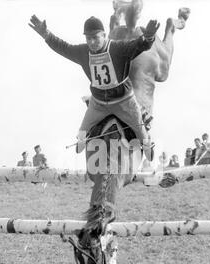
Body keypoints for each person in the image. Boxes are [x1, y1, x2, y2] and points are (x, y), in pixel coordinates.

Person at [29, 15, 160, 161]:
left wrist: (148, 37)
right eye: (88, 38)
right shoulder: (83, 52)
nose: (92, 42)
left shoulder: (118, 48)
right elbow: (63, 47)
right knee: (81, 135)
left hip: (125, 102)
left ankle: (147, 147)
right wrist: (46, 35)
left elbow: (139, 45)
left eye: (95, 38)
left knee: (141, 131)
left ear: (104, 35)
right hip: (98, 105)